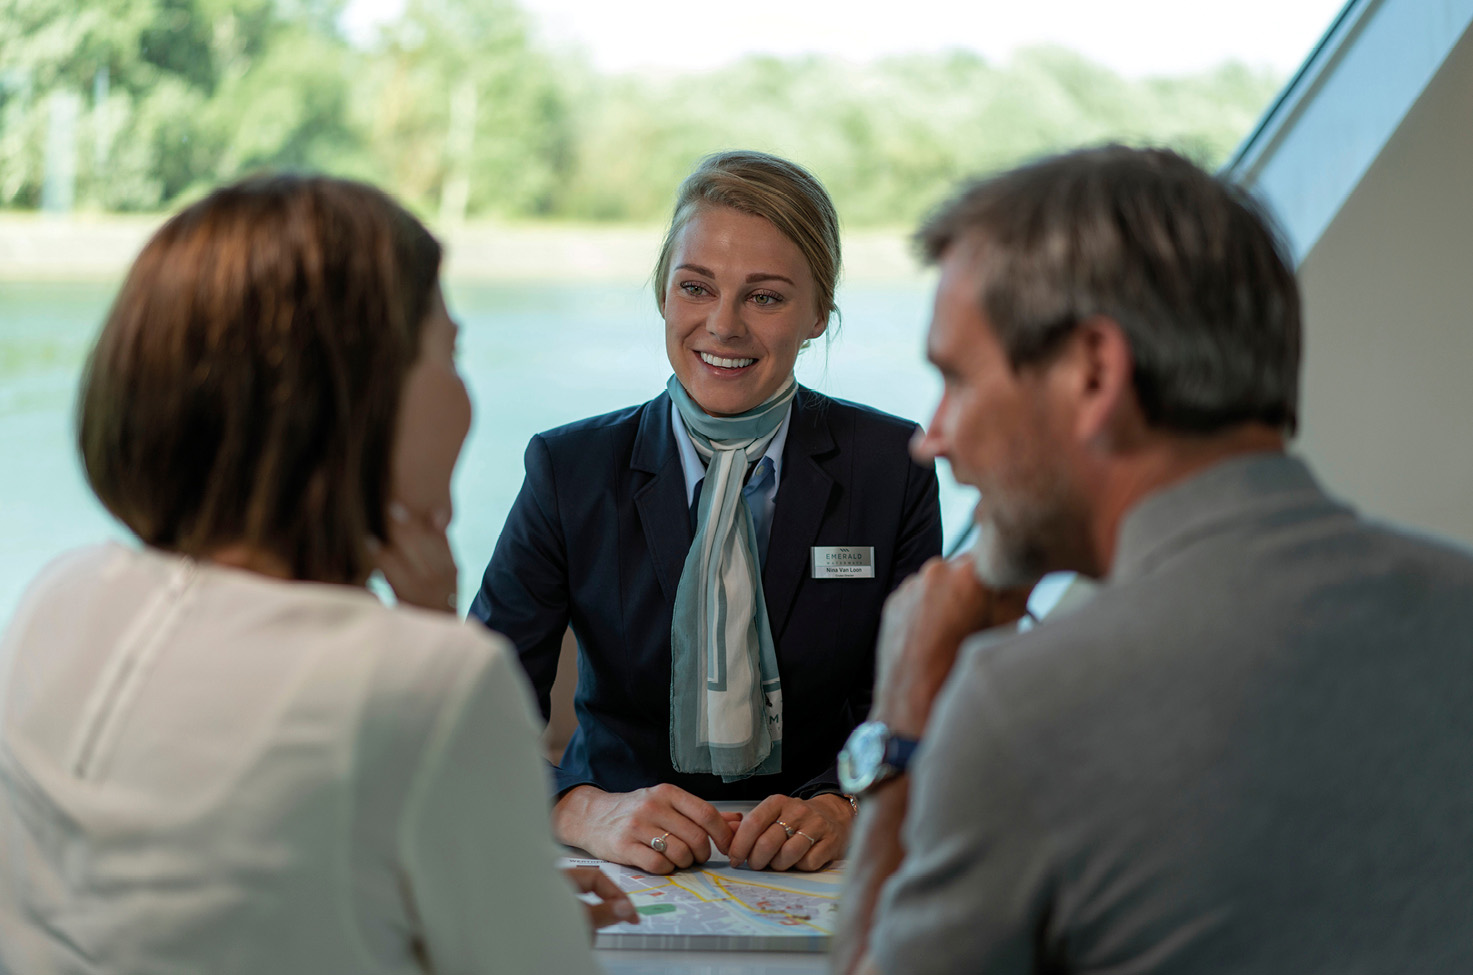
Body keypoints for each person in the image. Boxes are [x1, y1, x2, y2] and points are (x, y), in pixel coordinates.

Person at [835, 145, 1473, 974]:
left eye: (956, 380)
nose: (930, 438)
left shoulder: (1021, 705)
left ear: (1094, 373)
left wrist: (900, 724)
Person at [0, 175, 629, 975]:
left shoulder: (60, 599)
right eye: (451, 353)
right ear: (358, 398)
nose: (465, 394)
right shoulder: (430, 682)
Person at [471, 150, 942, 874]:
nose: (721, 326)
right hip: (620, 852)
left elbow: (924, 707)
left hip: (819, 861)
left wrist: (853, 806)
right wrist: (580, 806)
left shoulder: (892, 465)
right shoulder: (569, 471)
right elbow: (474, 724)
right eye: (696, 287)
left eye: (764, 297)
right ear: (664, 291)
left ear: (818, 312)